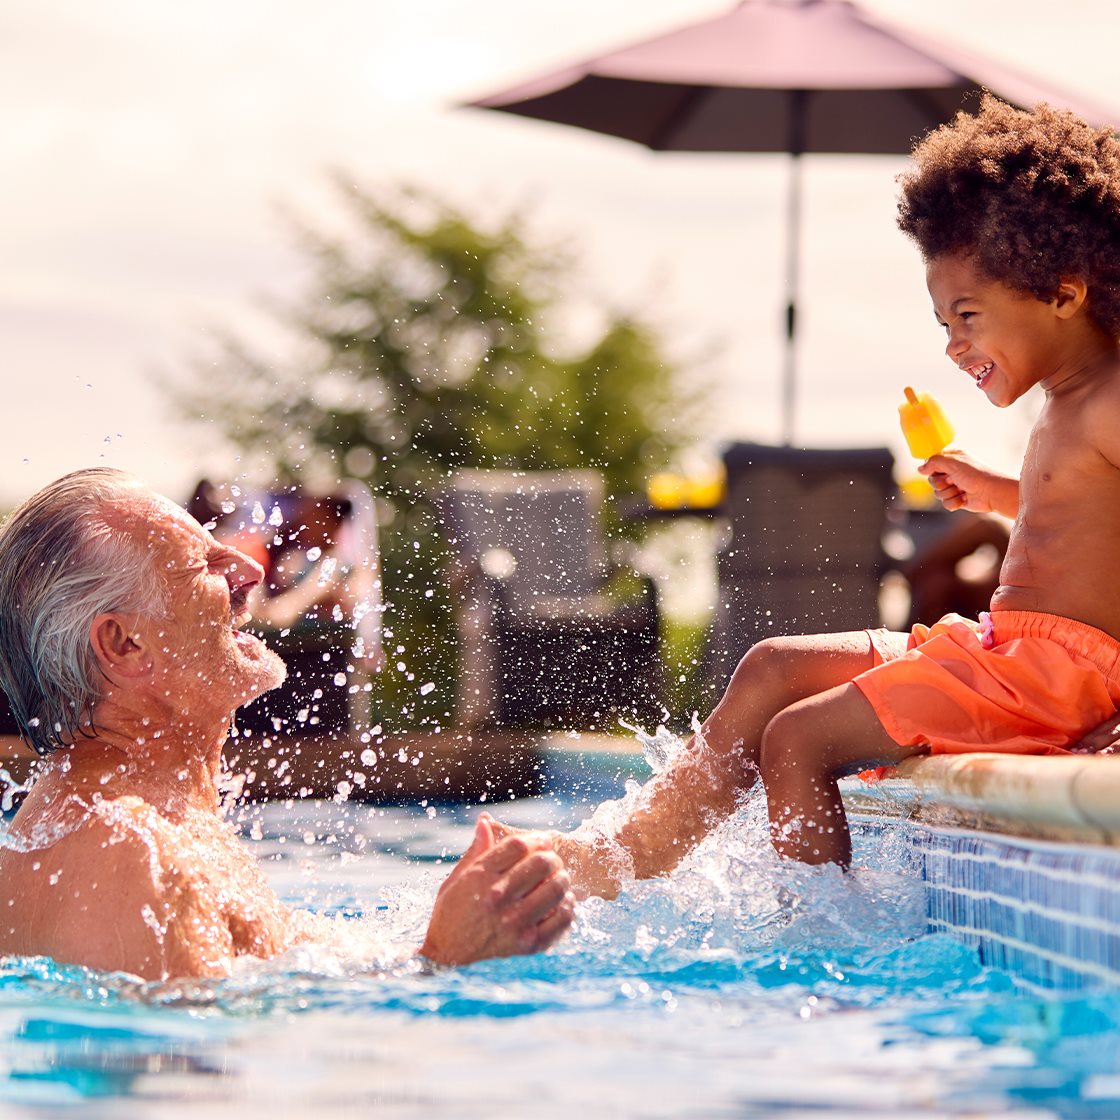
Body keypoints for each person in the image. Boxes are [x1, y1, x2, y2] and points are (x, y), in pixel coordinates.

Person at [493, 96, 1120, 899]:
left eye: (967, 316)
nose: (954, 345)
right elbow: (1081, 517)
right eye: (942, 322)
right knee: (771, 667)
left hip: (1054, 673)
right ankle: (625, 854)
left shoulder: (1106, 399)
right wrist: (996, 490)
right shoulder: (1070, 399)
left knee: (799, 740)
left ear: (1064, 294)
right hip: (1011, 650)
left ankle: (814, 938)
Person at [0, 469, 574, 980]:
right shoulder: (130, 858)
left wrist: (644, 835)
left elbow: (332, 970)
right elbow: (184, 1088)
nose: (249, 570)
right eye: (205, 563)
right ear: (124, 644)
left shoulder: (119, 830)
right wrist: (446, 965)